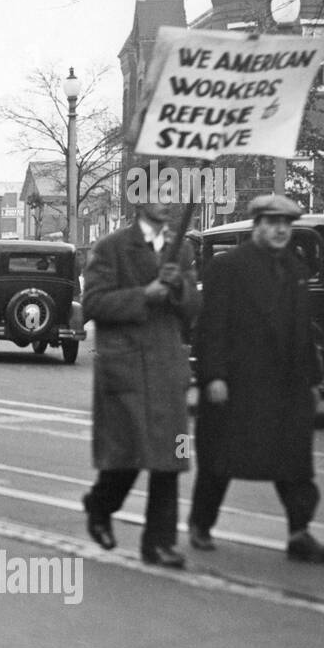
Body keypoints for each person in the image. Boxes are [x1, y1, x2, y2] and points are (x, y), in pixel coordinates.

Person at [189, 194, 324, 563]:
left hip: (286, 387)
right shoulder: (228, 268)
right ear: (257, 226)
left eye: (286, 224)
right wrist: (213, 376)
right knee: (220, 460)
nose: (280, 230)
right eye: (272, 224)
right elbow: (211, 328)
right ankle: (200, 525)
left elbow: (303, 332)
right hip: (238, 384)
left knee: (295, 464)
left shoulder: (297, 270)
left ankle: (299, 533)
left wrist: (313, 381)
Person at [81, 200, 200, 568]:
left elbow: (194, 311)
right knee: (125, 457)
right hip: (126, 368)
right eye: (158, 193)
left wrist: (180, 287)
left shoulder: (182, 249)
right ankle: (101, 505)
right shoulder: (111, 248)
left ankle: (160, 543)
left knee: (170, 459)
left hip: (166, 367)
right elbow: (93, 304)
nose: (167, 203)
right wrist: (143, 295)